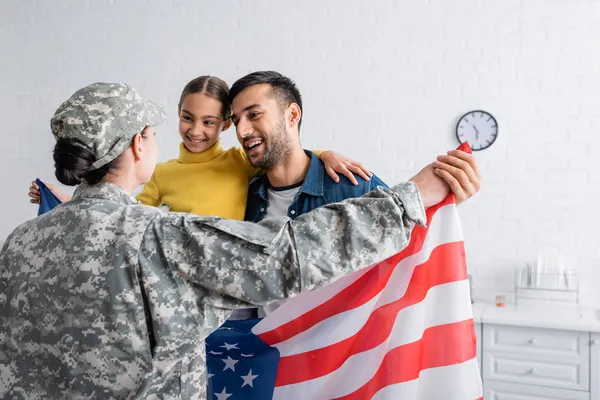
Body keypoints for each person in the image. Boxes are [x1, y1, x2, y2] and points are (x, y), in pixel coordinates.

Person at [0, 82, 456, 399]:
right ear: (139, 145)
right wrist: (410, 199)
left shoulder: (19, 242)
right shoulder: (155, 237)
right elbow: (287, 254)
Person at [28, 76, 372, 220]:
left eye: (209, 122)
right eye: (187, 118)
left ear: (225, 124)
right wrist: (63, 197)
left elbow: (288, 157)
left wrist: (325, 154)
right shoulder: (160, 173)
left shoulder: (240, 160)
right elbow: (118, 209)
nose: (196, 131)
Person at [229, 71, 480, 223]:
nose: (241, 131)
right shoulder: (243, 196)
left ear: (292, 115)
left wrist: (446, 205)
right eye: (237, 120)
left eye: (254, 115)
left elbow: (406, 246)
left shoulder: (355, 187)